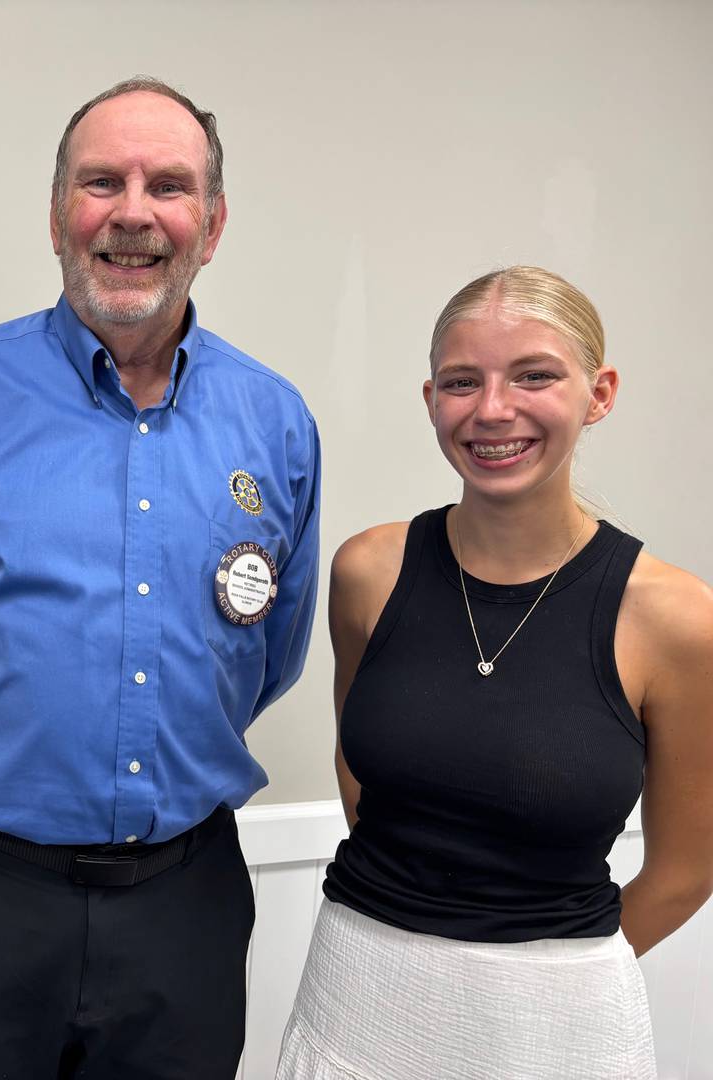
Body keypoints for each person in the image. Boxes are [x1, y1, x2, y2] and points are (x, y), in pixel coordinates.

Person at [0, 76, 321, 1078]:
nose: (134, 213)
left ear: (213, 224)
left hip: (184, 908)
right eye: (102, 182)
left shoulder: (274, 424)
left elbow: (268, 648)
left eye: (169, 187)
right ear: (58, 215)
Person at [277, 266, 713, 1079]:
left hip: (563, 1032)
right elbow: (360, 765)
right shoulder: (370, 570)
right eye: (461, 382)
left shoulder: (676, 618)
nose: (492, 410)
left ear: (600, 392)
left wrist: (543, 975)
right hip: (355, 1001)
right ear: (430, 399)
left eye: (535, 375)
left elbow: (688, 867)